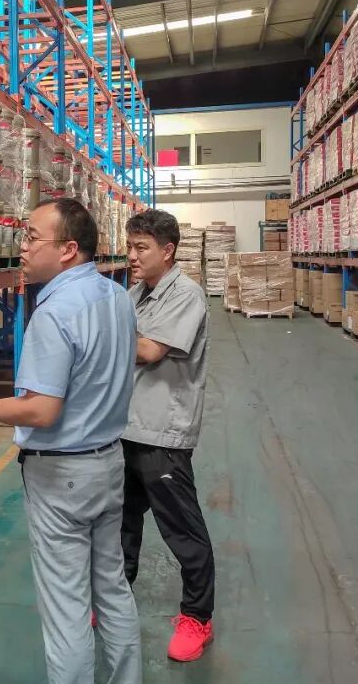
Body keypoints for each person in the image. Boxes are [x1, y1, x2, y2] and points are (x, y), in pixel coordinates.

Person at [0, 198, 142, 684]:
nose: (21, 247)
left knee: (66, 606)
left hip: (63, 474)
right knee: (111, 587)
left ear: (68, 249)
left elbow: (41, 410)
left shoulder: (55, 311)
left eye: (30, 237)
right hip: (108, 462)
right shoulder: (116, 297)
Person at [121, 209, 216, 663]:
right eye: (129, 246)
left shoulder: (186, 295)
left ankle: (197, 617)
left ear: (168, 250)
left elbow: (149, 350)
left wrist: (96, 327)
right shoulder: (135, 293)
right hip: (125, 426)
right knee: (120, 523)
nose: (132, 255)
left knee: (181, 530)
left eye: (141, 247)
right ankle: (115, 599)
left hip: (162, 432)